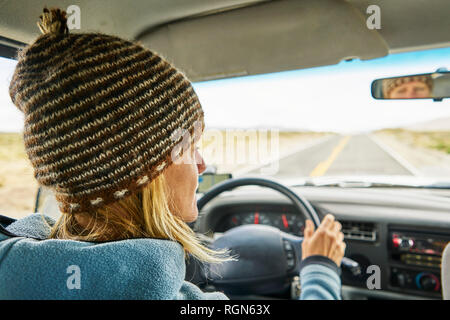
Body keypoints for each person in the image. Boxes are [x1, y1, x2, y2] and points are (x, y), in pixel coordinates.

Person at [0, 7, 345, 300]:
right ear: (140, 174)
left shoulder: (13, 262)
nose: (202, 163)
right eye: (188, 147)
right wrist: (320, 269)